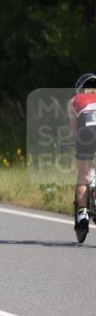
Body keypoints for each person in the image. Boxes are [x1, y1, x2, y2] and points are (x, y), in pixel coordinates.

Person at [70, 73, 96, 234]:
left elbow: (74, 131)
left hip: (87, 133)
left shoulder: (74, 100)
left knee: (83, 173)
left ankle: (83, 214)